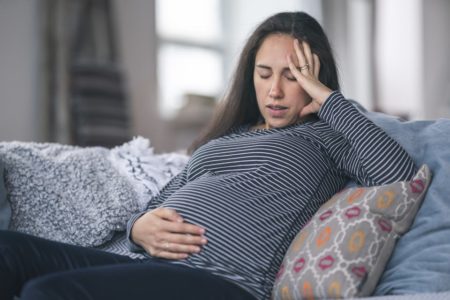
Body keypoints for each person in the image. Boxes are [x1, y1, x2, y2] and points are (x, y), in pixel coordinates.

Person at [0, 11, 417, 300]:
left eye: (292, 77)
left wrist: (330, 101)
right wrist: (138, 228)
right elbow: (159, 203)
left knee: (47, 294)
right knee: (7, 252)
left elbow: (400, 173)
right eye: (265, 73)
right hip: (144, 264)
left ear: (315, 80)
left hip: (219, 282)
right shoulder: (224, 139)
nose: (274, 91)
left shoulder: (327, 136)